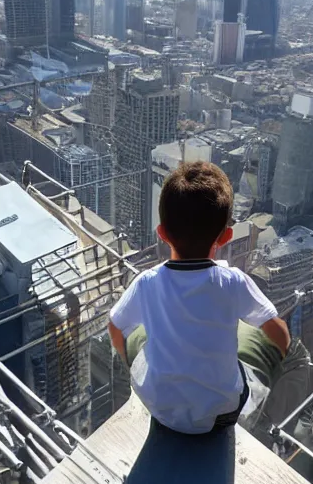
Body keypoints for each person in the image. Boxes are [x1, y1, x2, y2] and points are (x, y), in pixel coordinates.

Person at [108, 161, 291, 435]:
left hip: (160, 409)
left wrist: (127, 360)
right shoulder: (232, 281)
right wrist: (281, 353)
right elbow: (279, 333)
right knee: (245, 368)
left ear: (162, 234)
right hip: (221, 415)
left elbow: (115, 326)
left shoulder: (147, 282)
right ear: (226, 236)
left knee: (145, 347)